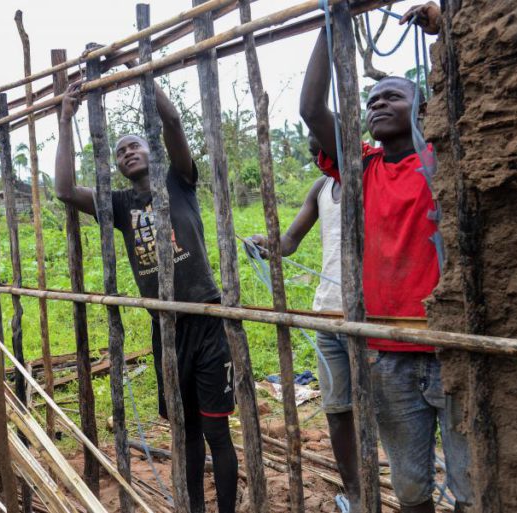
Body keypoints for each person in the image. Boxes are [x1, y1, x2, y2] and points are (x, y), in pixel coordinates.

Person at [299, 3, 471, 511]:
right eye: (371, 98)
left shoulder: (446, 156)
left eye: (391, 96)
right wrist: (333, 24)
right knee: (412, 484)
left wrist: (447, 30)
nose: (376, 103)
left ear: (421, 110)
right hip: (387, 350)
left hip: (450, 349)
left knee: (470, 481)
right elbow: (312, 110)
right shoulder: (362, 167)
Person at [54, 72, 237, 513]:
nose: (126, 152)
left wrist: (137, 76)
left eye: (134, 145)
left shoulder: (178, 180)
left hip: (208, 322)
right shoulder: (119, 205)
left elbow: (172, 123)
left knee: (216, 433)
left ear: (150, 152)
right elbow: (63, 189)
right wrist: (65, 120)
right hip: (166, 330)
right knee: (187, 430)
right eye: (119, 151)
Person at [250, 133, 360, 509]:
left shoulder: (368, 177)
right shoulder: (321, 187)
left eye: (322, 149)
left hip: (370, 315)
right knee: (337, 411)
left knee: (382, 412)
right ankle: (357, 494)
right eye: (312, 152)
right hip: (326, 314)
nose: (317, 158)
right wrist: (266, 244)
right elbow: (290, 241)